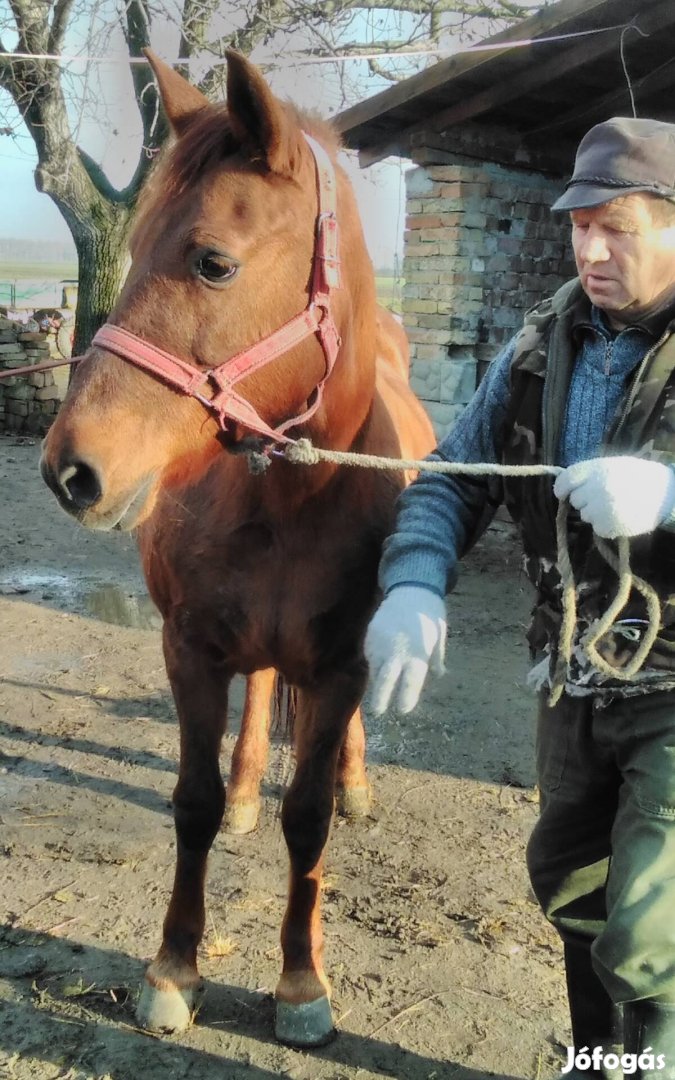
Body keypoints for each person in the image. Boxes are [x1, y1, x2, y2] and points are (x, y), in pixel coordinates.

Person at [364, 117, 675, 1080]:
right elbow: (457, 473)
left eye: (616, 227)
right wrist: (414, 582)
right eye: (579, 224)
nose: (588, 249)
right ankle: (603, 1064)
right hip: (572, 677)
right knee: (571, 887)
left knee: (649, 936)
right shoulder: (545, 343)